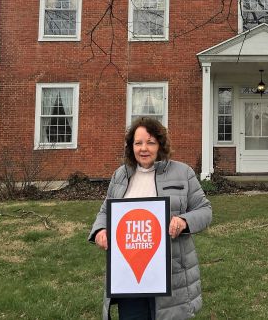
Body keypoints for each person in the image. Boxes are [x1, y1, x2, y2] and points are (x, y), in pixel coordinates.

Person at [89, 117, 212, 320]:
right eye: (138, 143)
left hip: (171, 274)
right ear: (131, 147)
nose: (143, 148)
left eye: (150, 142)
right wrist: (101, 231)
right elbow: (105, 211)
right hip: (128, 274)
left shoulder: (183, 173)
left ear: (161, 145)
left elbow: (205, 210)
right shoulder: (120, 175)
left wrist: (184, 221)